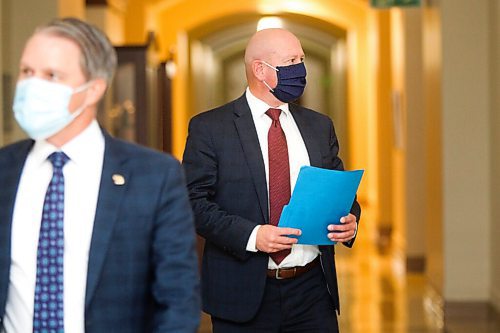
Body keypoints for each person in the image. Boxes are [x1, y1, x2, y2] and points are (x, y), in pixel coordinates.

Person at [0, 18, 200, 332]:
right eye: (27, 72)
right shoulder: (5, 169)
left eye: (52, 75)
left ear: (93, 88)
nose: (32, 85)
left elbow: (177, 301)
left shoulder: (155, 176)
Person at [182, 28, 361, 332]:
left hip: (312, 291)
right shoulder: (210, 128)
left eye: (302, 59)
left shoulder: (319, 126)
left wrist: (350, 219)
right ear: (259, 69)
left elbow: (338, 191)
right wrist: (253, 236)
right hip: (241, 293)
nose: (300, 69)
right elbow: (193, 202)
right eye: (291, 60)